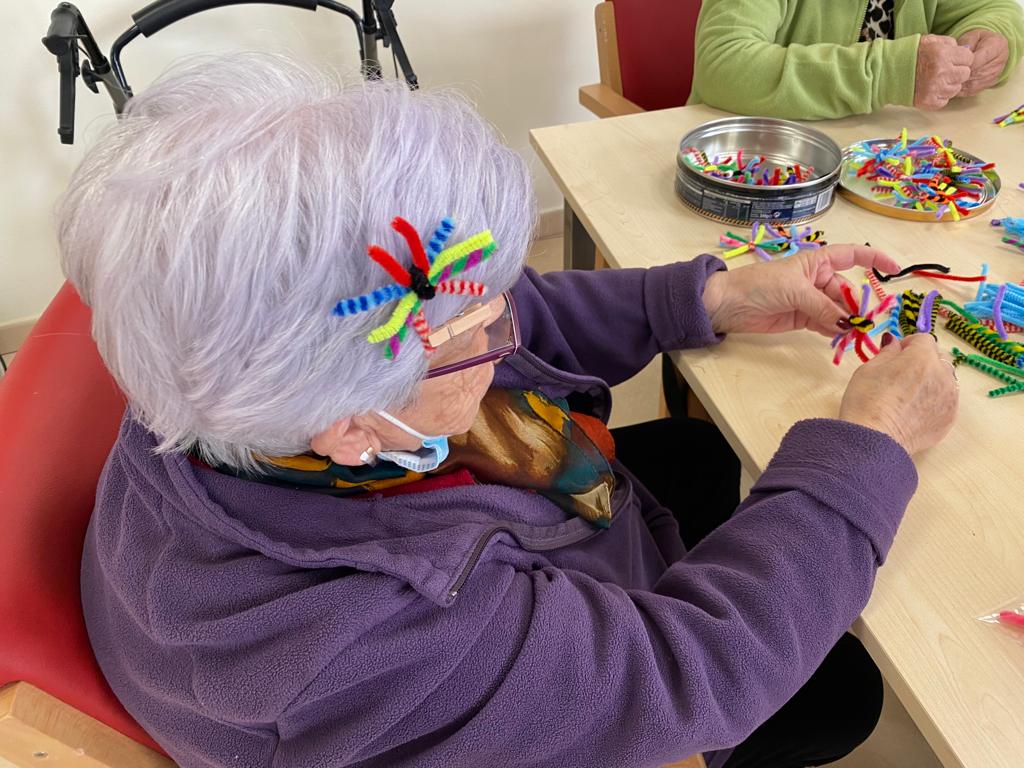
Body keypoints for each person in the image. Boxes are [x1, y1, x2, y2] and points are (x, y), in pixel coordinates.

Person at [59, 54, 959, 768]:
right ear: (352, 426)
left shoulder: (227, 371)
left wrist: (711, 298)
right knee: (845, 691)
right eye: (477, 338)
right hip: (521, 667)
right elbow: (694, 673)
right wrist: (871, 444)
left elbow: (498, 308)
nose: (505, 336)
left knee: (695, 450)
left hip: (516, 548)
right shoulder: (370, 641)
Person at [690, 0, 1024, 119]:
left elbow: (994, 9)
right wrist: (885, 73)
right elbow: (723, 63)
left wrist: (992, 35)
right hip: (761, 164)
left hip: (885, 167)